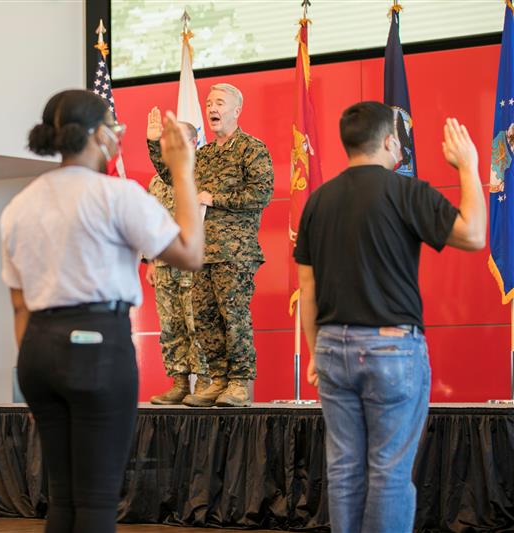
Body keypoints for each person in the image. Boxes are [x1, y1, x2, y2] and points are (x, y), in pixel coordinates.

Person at [0, 89, 202, 533]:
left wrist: (33, 375)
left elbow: (19, 305)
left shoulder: (19, 206)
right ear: (98, 135)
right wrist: (182, 171)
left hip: (37, 353)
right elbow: (190, 252)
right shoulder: (117, 195)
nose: (117, 135)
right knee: (95, 502)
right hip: (97, 347)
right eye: (114, 126)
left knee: (63, 499)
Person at [295, 102, 485, 533]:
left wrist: (315, 352)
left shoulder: (317, 201)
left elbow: (307, 288)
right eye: (398, 138)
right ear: (386, 141)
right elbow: (473, 235)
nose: (401, 146)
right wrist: (468, 166)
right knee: (389, 471)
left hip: (332, 348)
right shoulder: (406, 191)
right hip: (392, 349)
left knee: (344, 469)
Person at [147, 83, 274, 406]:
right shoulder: (203, 155)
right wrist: (154, 144)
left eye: (219, 103)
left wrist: (216, 198)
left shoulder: (251, 149)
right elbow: (173, 176)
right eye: (208, 103)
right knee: (204, 319)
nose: (212, 108)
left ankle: (239, 382)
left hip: (234, 252)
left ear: (237, 110)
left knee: (233, 317)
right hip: (200, 252)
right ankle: (217, 380)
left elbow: (261, 193)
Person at [145, 118, 207, 404]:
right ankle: (179, 381)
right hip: (164, 265)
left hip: (195, 264)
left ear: (193, 142)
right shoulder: (157, 180)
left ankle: (206, 382)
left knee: (198, 324)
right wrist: (149, 259)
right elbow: (150, 222)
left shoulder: (204, 174)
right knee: (171, 325)